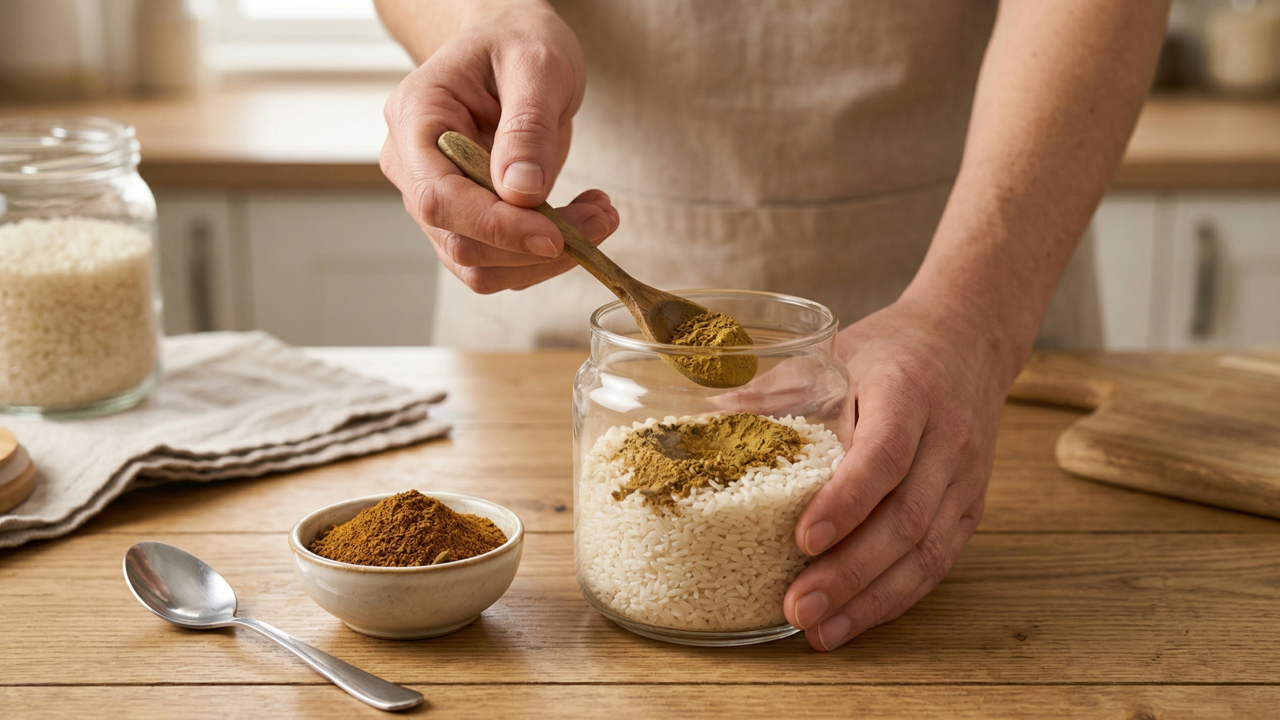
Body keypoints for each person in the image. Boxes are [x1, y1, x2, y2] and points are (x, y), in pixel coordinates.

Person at [373, 0, 1171, 651]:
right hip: (568, 256)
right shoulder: (608, 377)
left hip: (975, 240)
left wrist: (973, 321)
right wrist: (480, 19)